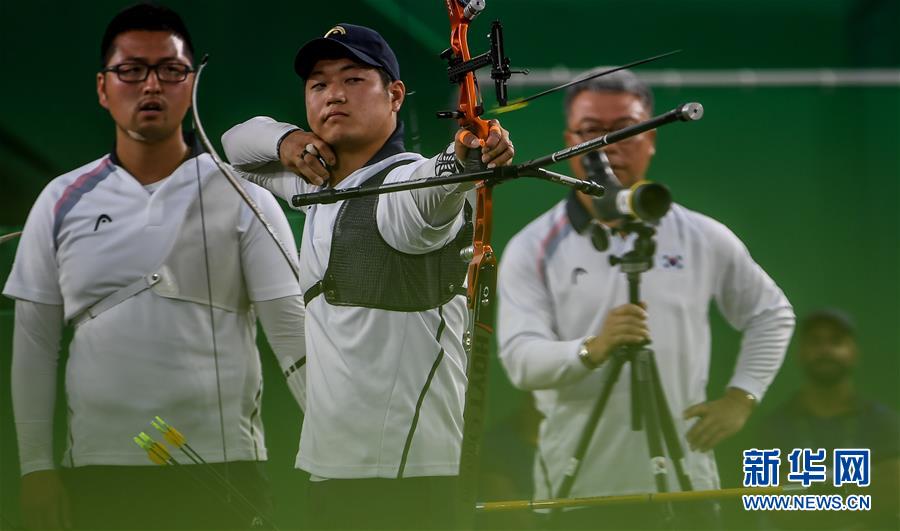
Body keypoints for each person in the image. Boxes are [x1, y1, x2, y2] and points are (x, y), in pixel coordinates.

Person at [3, 4, 305, 529]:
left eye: (170, 70)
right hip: (98, 472)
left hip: (227, 471)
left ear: (191, 85)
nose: (151, 86)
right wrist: (36, 469)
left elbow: (292, 335)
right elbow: (33, 346)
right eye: (130, 70)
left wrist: (336, 456)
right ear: (103, 87)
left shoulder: (243, 194)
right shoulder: (60, 200)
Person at [220, 22, 514, 529]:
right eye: (318, 84)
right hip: (333, 471)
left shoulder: (405, 181)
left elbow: (434, 185)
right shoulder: (317, 183)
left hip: (409, 479)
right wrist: (288, 140)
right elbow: (236, 146)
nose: (333, 93)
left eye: (354, 79)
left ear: (394, 94)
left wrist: (463, 156)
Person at [496, 69, 796, 529]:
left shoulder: (701, 235)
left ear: (651, 138)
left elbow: (771, 315)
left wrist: (742, 396)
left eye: (627, 130)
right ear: (568, 139)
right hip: (576, 491)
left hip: (688, 488)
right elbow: (520, 360)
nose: (608, 146)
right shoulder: (534, 245)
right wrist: (593, 348)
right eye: (591, 131)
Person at [758, 309, 899, 530]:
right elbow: (775, 504)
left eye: (836, 341)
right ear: (800, 353)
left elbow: (890, 497)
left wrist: (807, 496)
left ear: (853, 351)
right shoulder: (774, 427)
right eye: (815, 342)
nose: (825, 350)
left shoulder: (885, 423)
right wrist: (858, 491)